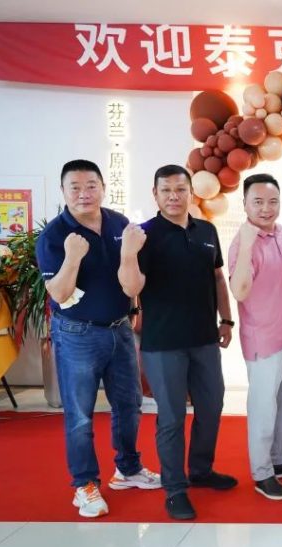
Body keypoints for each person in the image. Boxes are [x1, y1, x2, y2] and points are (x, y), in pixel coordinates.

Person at [36, 159, 160, 519]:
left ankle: (128, 469)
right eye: (74, 187)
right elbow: (59, 293)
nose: (84, 193)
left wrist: (130, 255)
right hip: (77, 334)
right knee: (80, 415)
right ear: (63, 192)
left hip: (119, 328)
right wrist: (72, 257)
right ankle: (85, 484)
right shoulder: (54, 236)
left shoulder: (118, 223)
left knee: (129, 405)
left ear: (103, 188)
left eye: (91, 185)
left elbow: (132, 284)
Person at [117, 164, 237, 521]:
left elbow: (218, 278)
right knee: (171, 417)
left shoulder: (206, 231)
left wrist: (226, 319)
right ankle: (174, 488)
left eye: (180, 189)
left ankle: (200, 470)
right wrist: (128, 252)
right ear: (155, 194)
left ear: (190, 193)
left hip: (204, 339)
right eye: (166, 190)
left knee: (212, 406)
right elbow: (131, 287)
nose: (173, 196)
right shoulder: (144, 235)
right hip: (163, 343)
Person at [228, 174, 282, 502]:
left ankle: (279, 458)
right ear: (244, 204)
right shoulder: (242, 243)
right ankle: (262, 473)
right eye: (257, 202)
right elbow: (240, 291)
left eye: (272, 201)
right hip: (263, 340)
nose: (266, 208)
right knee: (263, 407)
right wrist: (246, 244)